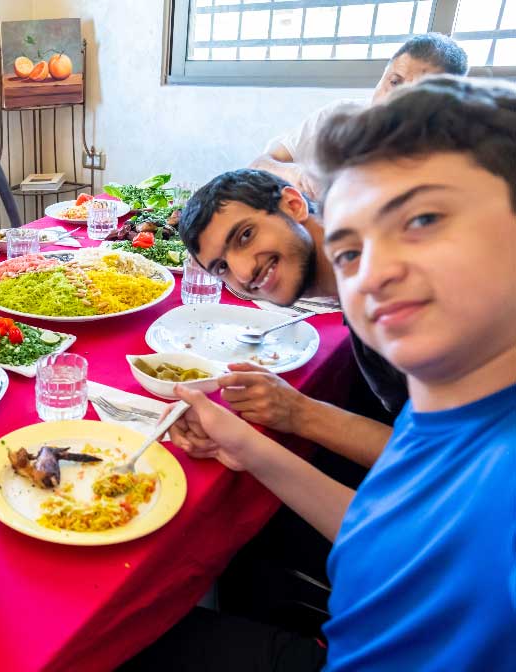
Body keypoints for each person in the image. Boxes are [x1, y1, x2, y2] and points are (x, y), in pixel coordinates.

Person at [152, 75, 516, 671]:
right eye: (350, 250)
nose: (370, 279)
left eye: (423, 223)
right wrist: (244, 442)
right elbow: (389, 523)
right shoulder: (453, 405)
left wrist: (294, 417)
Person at [177, 169, 397, 467]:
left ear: (294, 204)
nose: (243, 273)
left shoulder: (391, 291)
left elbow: (450, 465)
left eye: (245, 236)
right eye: (222, 267)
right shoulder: (354, 279)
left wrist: (300, 413)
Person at [250, 33, 468, 200]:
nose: (394, 101)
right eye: (395, 82)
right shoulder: (339, 115)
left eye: (416, 96)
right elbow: (259, 165)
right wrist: (298, 175)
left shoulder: (446, 161)